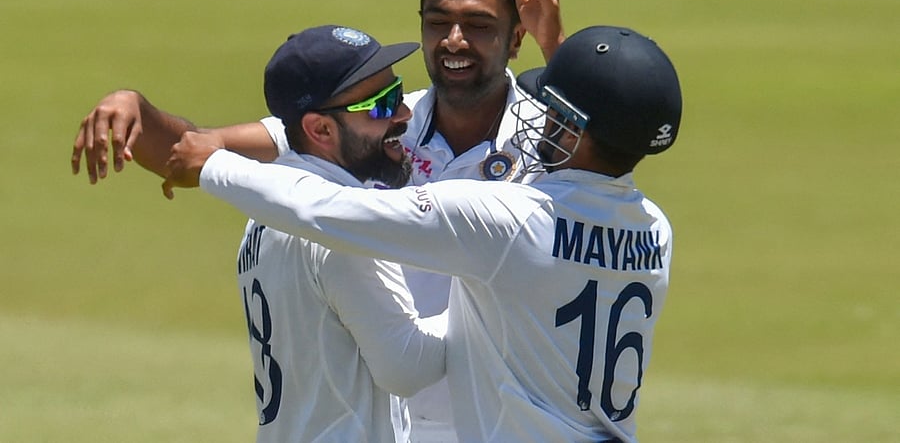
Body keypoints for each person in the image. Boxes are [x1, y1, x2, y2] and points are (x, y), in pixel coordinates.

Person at [70, 0, 563, 440]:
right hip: (398, 417)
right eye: (438, 22)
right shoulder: (375, 129)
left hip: (500, 421)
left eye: (478, 26)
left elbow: (616, 154)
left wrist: (560, 52)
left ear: (516, 36)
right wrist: (131, 104)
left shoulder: (549, 140)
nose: (454, 40)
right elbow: (198, 153)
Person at [162, 25, 683, 443]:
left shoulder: (506, 218)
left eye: (551, 115)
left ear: (573, 130)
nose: (537, 121)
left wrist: (215, 165)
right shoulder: (655, 230)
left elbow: (330, 210)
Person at [202, 24, 447, 442]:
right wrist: (494, 296)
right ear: (320, 130)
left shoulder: (267, 211)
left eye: (400, 94)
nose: (405, 115)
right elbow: (406, 367)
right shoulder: (339, 229)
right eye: (383, 105)